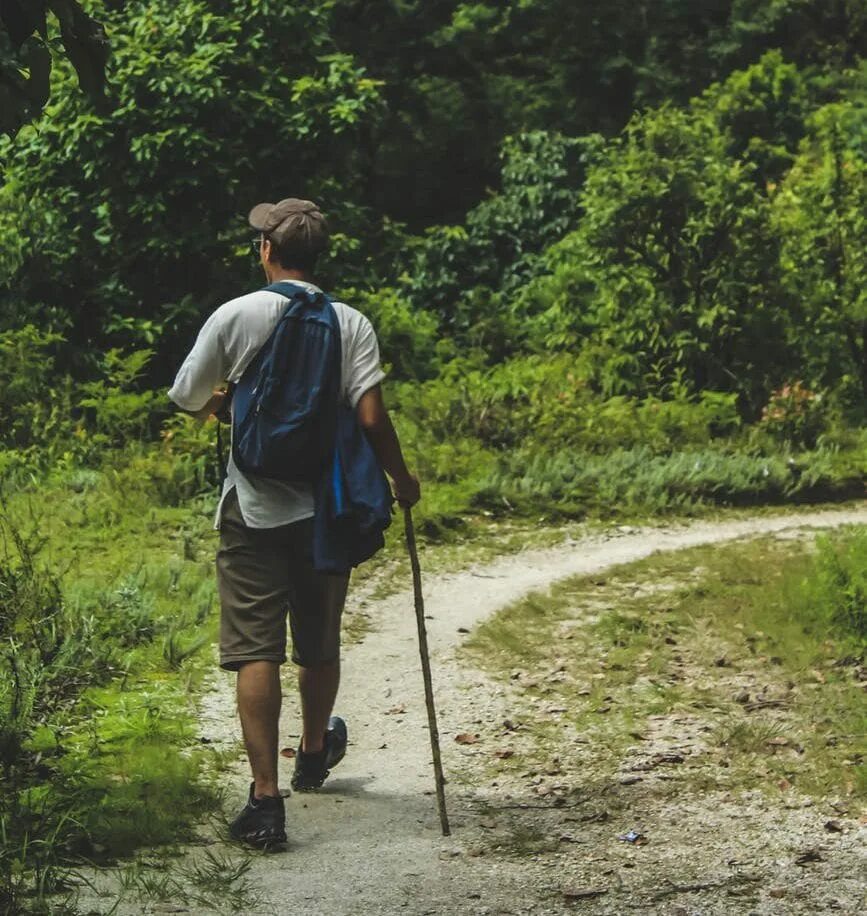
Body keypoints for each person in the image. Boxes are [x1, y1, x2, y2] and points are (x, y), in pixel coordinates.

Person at [168, 197, 420, 847]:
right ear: (318, 257)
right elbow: (369, 418)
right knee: (319, 636)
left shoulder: (237, 314)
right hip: (325, 510)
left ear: (267, 252)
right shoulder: (351, 323)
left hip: (250, 508)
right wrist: (401, 478)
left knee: (256, 649)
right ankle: (312, 754)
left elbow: (187, 397)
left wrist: (223, 411)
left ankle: (265, 801)